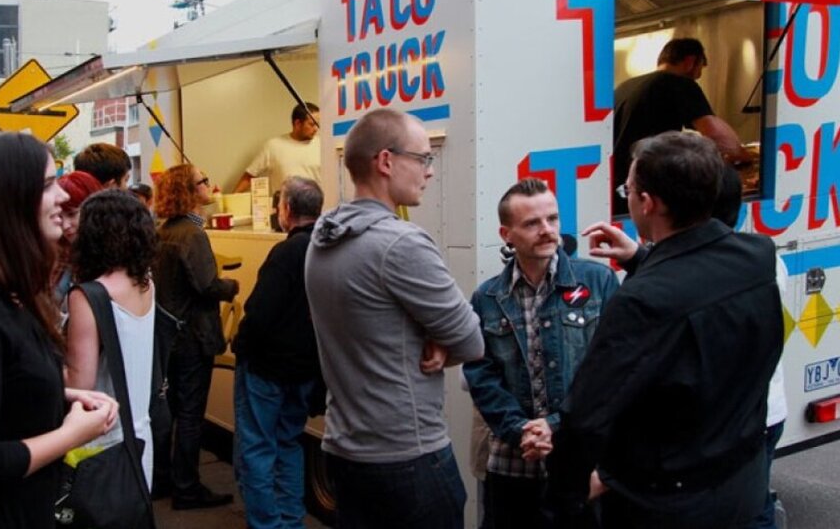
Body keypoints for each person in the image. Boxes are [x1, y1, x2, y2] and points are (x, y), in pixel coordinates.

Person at [542, 131, 784, 528]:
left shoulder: (640, 301)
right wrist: (642, 257)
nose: (628, 196)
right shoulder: (758, 256)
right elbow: (698, 291)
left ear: (648, 202)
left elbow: (586, 417)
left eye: (629, 189)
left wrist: (565, 498)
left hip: (668, 506)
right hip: (745, 489)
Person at [304, 108, 484, 529]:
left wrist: (434, 336)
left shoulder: (322, 238)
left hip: (345, 450)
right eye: (423, 159)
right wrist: (439, 339)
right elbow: (472, 341)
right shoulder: (400, 243)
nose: (429, 172)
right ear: (386, 162)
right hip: (408, 458)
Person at [0, 132, 118, 528]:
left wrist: (62, 394)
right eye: (49, 185)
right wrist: (71, 435)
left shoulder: (9, 295)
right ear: (8, 201)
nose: (63, 197)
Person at [463, 178, 619, 528]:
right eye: (532, 223)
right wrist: (520, 430)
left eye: (552, 219)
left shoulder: (597, 282)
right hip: (511, 465)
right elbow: (481, 376)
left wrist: (554, 427)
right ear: (507, 234)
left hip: (580, 463)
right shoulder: (487, 298)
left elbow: (610, 372)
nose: (547, 230)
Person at [233, 176, 324, 529]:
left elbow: (259, 314)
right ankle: (291, 519)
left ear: (286, 210)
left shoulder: (286, 252)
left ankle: (267, 524)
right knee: (289, 442)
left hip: (267, 371)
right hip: (305, 371)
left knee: (257, 448)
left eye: (279, 204)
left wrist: (241, 346)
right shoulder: (328, 249)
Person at [153, 164, 240, 510]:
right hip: (193, 336)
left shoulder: (165, 231)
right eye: (203, 181)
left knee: (171, 412)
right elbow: (206, 285)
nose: (210, 184)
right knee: (191, 415)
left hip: (170, 336)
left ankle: (162, 481)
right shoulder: (192, 234)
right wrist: (232, 287)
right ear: (189, 191)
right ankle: (187, 488)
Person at [65, 189, 158, 488]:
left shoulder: (89, 295)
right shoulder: (145, 281)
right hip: (141, 434)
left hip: (101, 441)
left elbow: (80, 383)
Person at [613, 37, 750, 215]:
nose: (699, 74)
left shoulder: (626, 86)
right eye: (702, 66)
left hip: (619, 189)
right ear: (691, 62)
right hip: (651, 190)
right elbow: (720, 138)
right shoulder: (678, 83)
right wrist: (742, 155)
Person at [233, 102, 321, 194]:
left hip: (318, 207)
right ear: (297, 123)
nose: (316, 129)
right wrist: (231, 200)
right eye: (312, 124)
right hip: (283, 207)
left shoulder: (322, 146)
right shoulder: (273, 146)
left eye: (317, 124)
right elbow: (249, 175)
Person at [53, 170, 103, 314]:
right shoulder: (58, 254)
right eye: (59, 216)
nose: (65, 225)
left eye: (72, 214)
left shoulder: (113, 260)